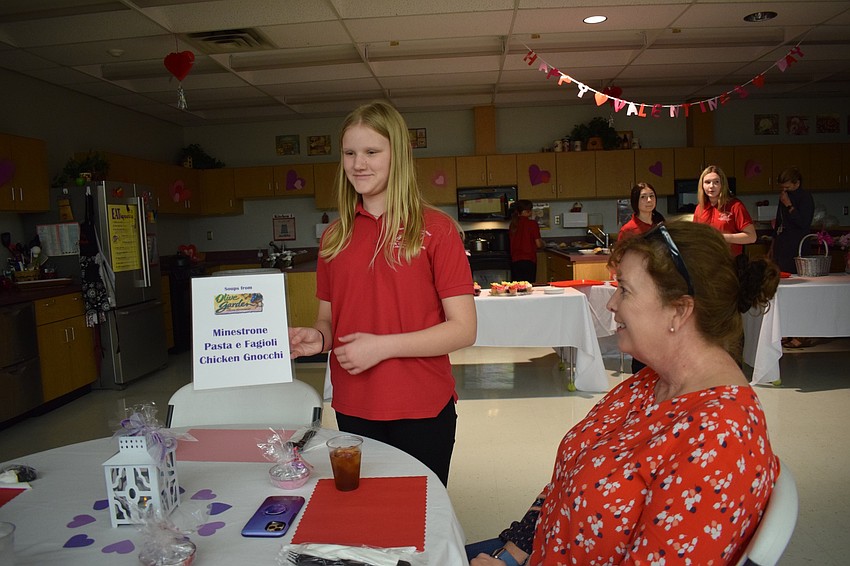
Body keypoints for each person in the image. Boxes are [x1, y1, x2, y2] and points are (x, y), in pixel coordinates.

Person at [468, 221, 780, 565]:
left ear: (679, 309)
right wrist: (509, 556)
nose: (612, 304)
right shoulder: (651, 382)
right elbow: (569, 478)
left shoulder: (722, 436)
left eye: (625, 290)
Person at [288, 101, 477, 486]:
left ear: (399, 156)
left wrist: (382, 346)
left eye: (372, 152)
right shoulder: (334, 236)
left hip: (422, 406)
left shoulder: (436, 231)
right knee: (367, 518)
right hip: (354, 404)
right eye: (350, 153)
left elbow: (463, 330)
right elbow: (329, 317)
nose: (359, 164)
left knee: (418, 518)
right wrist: (318, 337)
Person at [616, 182, 665, 374]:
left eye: (651, 196)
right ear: (635, 202)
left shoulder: (661, 224)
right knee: (640, 331)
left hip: (661, 284)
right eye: (643, 197)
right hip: (638, 287)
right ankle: (640, 374)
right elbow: (620, 261)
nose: (649, 200)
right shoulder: (629, 229)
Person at [772, 167, 815, 349]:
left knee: (799, 292)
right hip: (783, 245)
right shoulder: (783, 198)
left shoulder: (805, 198)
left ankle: (802, 334)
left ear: (797, 184)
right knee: (783, 291)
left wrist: (789, 204)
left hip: (798, 247)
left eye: (788, 188)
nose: (784, 191)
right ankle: (787, 331)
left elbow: (803, 222)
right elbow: (779, 223)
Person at [692, 165, 756, 256]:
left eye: (716, 182)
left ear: (722, 185)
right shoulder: (700, 208)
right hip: (706, 261)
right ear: (702, 185)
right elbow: (695, 236)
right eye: (707, 182)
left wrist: (722, 237)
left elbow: (752, 237)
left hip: (729, 262)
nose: (711, 186)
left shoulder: (735, 206)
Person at [509, 199, 543, 282]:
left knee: (517, 287)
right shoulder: (532, 224)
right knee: (528, 286)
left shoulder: (513, 224)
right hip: (529, 260)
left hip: (515, 260)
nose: (531, 212)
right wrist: (544, 244)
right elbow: (538, 244)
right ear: (526, 211)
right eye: (530, 210)